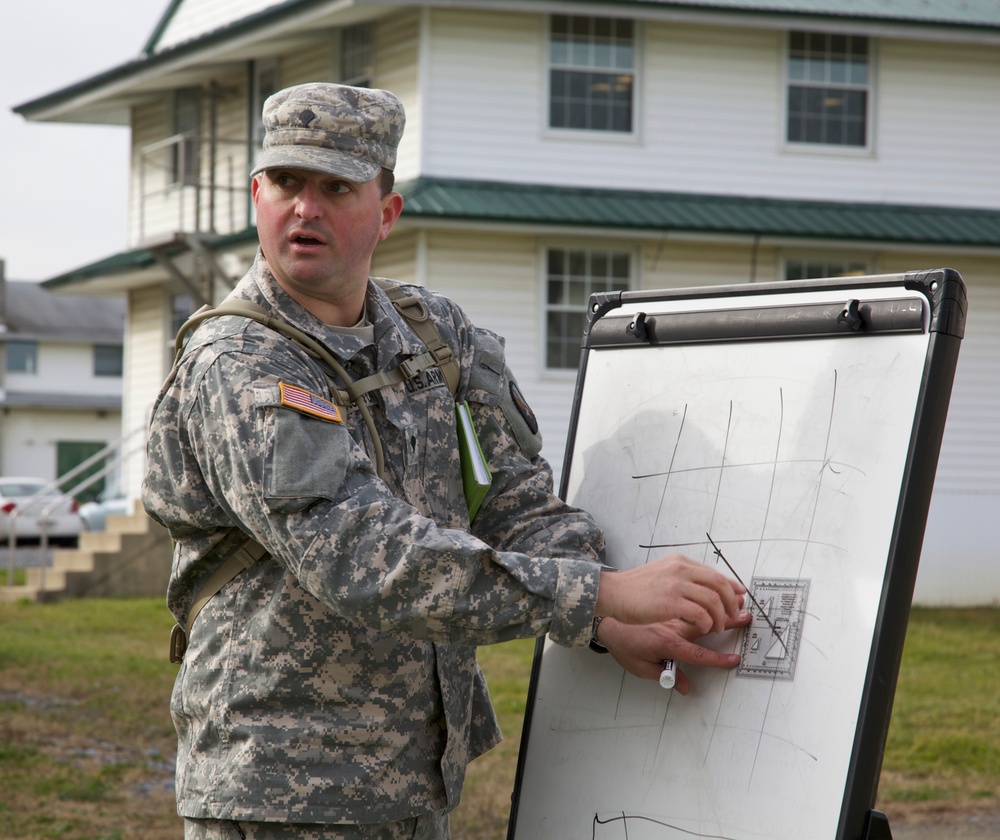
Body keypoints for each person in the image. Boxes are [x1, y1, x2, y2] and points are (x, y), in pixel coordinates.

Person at [142, 82, 750, 840]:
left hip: (416, 775)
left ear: (386, 213)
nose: (306, 208)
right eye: (287, 183)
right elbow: (359, 554)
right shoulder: (240, 359)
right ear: (256, 196)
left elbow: (516, 504)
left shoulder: (437, 338)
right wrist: (596, 597)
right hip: (278, 790)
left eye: (336, 186)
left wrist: (606, 619)